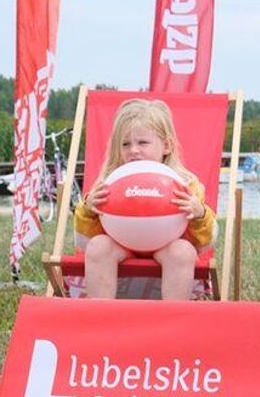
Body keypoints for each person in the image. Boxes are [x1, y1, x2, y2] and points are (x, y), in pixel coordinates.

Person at [74, 98, 216, 300]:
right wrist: (88, 209)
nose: (133, 150)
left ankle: (172, 320)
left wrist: (200, 214)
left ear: (166, 146)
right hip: (122, 245)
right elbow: (85, 240)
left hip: (167, 245)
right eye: (125, 144)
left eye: (142, 142)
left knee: (183, 250)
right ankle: (101, 315)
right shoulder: (112, 182)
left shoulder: (183, 184)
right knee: (98, 246)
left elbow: (205, 241)